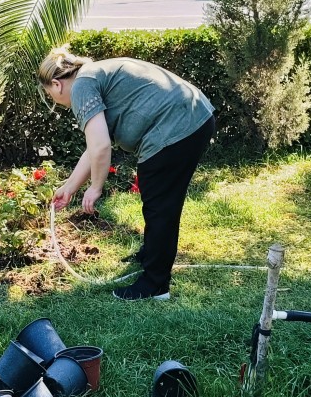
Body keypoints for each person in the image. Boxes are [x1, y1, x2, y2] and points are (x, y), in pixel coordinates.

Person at [39, 47, 215, 300]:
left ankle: (155, 284)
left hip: (177, 125)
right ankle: (151, 255)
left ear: (56, 84)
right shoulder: (92, 75)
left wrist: (96, 187)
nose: (55, 102)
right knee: (158, 198)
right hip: (193, 116)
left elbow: (100, 146)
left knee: (160, 204)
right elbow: (93, 148)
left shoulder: (81, 86)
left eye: (50, 95)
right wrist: (70, 188)